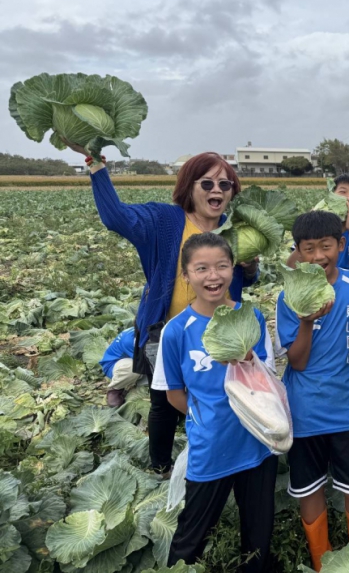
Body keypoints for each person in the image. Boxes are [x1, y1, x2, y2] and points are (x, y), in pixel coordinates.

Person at [88, 152, 258, 474]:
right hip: (165, 331)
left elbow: (244, 279)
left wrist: (251, 266)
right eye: (207, 183)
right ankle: (161, 465)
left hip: (219, 331)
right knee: (164, 400)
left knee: (219, 395)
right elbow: (116, 219)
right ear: (189, 186)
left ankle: (222, 459)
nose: (217, 191)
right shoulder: (166, 221)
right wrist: (97, 167)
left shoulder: (235, 229)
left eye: (225, 184)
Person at [152, 233, 278, 571]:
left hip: (256, 442)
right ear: (186, 275)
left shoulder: (250, 317)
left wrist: (248, 360)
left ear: (232, 270)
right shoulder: (177, 330)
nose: (213, 276)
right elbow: (173, 393)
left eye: (222, 266)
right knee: (191, 535)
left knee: (258, 537)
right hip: (211, 446)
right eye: (202, 268)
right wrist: (204, 418)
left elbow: (268, 375)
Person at [276, 211, 349, 571]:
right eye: (308, 249)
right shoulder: (290, 297)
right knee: (309, 489)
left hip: (347, 409)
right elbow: (297, 363)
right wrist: (306, 321)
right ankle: (321, 561)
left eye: (326, 247)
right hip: (304, 411)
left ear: (342, 245)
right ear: (297, 253)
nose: (318, 256)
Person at [286, 174, 349, 274]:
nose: (347, 198)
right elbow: (291, 267)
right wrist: (312, 224)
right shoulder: (314, 230)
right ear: (330, 198)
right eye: (342, 192)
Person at [100, 327, 141, 407]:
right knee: (133, 367)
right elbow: (146, 361)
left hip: (136, 361)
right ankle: (116, 389)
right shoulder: (130, 341)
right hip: (114, 365)